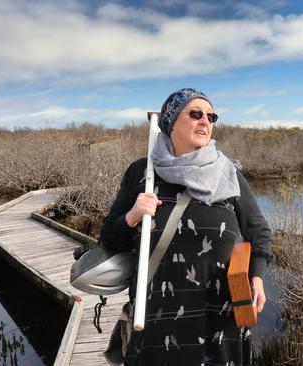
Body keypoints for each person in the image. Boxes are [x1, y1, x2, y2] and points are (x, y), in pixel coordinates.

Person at [100, 88, 273, 365]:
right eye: (195, 114)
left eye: (211, 116)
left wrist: (258, 277)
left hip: (221, 321)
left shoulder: (228, 174)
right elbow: (109, 238)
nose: (205, 121)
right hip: (156, 322)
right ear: (170, 122)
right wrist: (133, 216)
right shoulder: (142, 173)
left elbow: (259, 232)